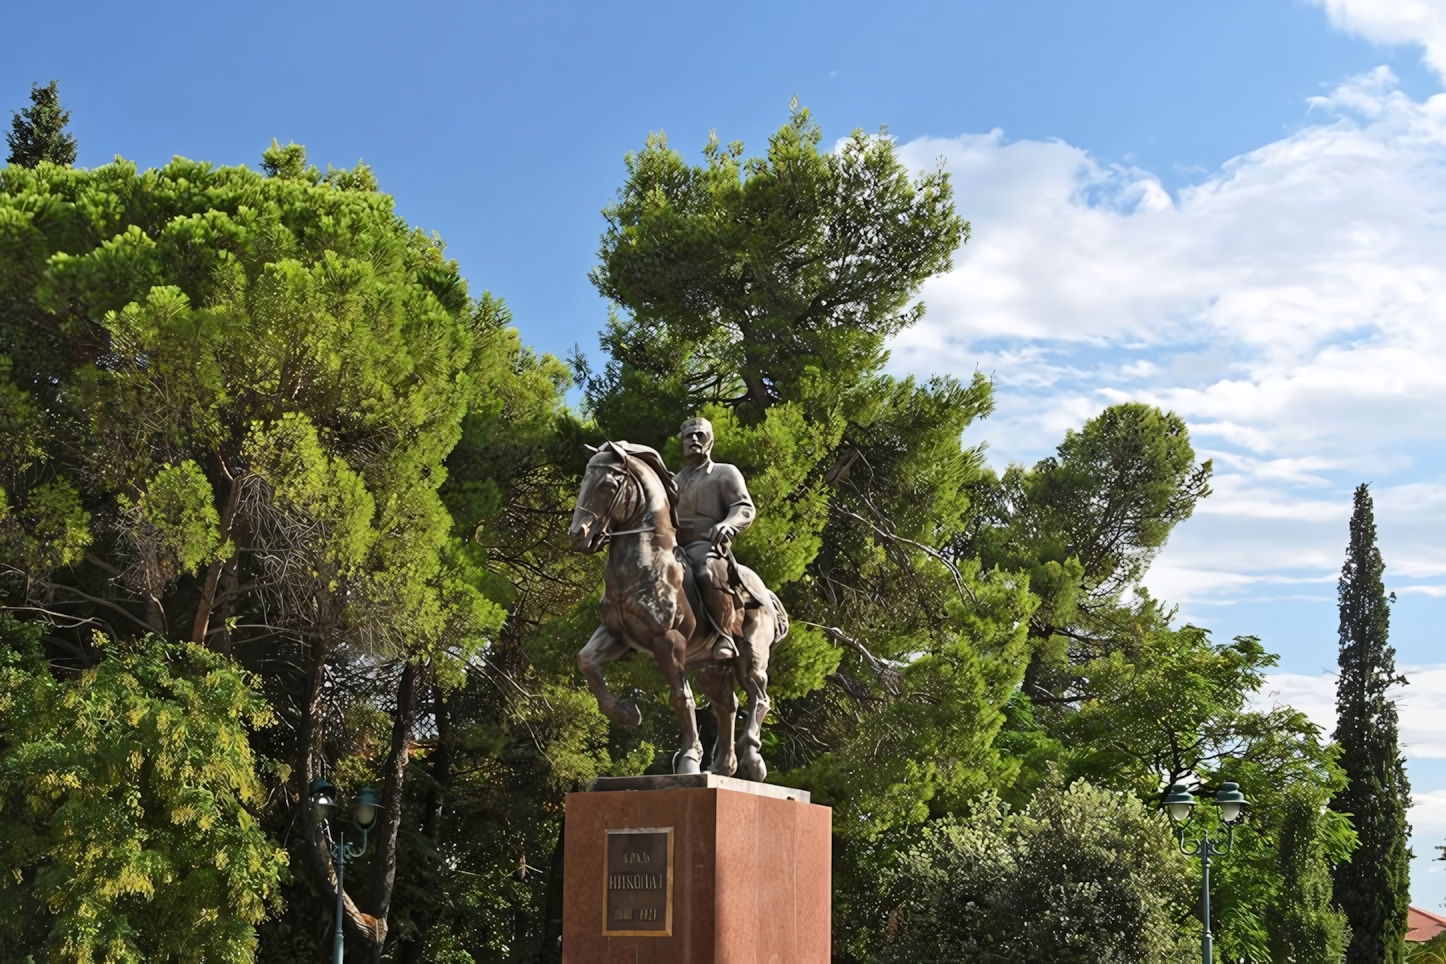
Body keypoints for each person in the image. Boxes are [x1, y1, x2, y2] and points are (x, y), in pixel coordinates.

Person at [674, 416, 756, 660]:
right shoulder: (674, 482)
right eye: (689, 436)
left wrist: (729, 524)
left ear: (710, 440)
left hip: (706, 545)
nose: (695, 439)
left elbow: (744, 506)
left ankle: (725, 635)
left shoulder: (725, 473)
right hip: (675, 547)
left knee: (705, 569)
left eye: (701, 434)